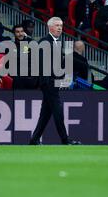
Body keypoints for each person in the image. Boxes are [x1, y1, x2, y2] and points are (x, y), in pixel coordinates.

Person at [29, 17, 81, 145]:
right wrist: (47, 82)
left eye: (61, 26)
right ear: (50, 27)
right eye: (57, 25)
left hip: (53, 82)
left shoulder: (56, 42)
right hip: (49, 82)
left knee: (45, 114)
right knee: (58, 110)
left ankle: (34, 139)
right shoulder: (44, 42)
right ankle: (65, 139)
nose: (60, 28)